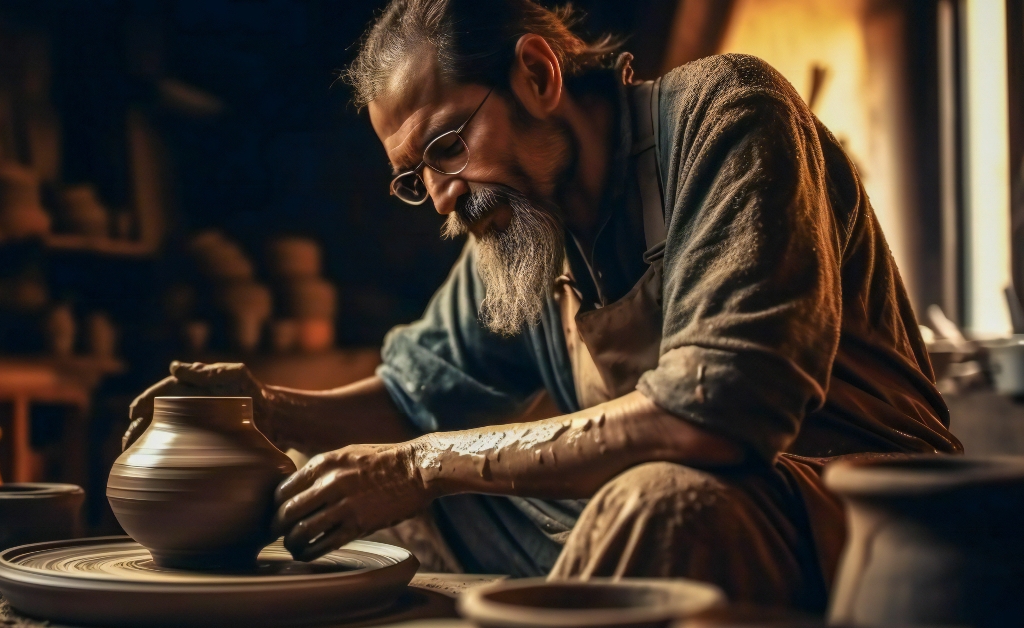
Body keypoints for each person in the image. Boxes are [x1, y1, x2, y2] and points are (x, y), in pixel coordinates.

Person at [125, 0, 962, 610]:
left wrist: (423, 464)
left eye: (448, 146)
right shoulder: (524, 227)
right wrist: (262, 410)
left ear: (537, 73)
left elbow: (721, 413)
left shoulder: (726, 112)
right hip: (690, 492)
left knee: (655, 504)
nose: (443, 196)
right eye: (414, 176)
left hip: (857, 511)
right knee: (353, 505)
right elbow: (410, 399)